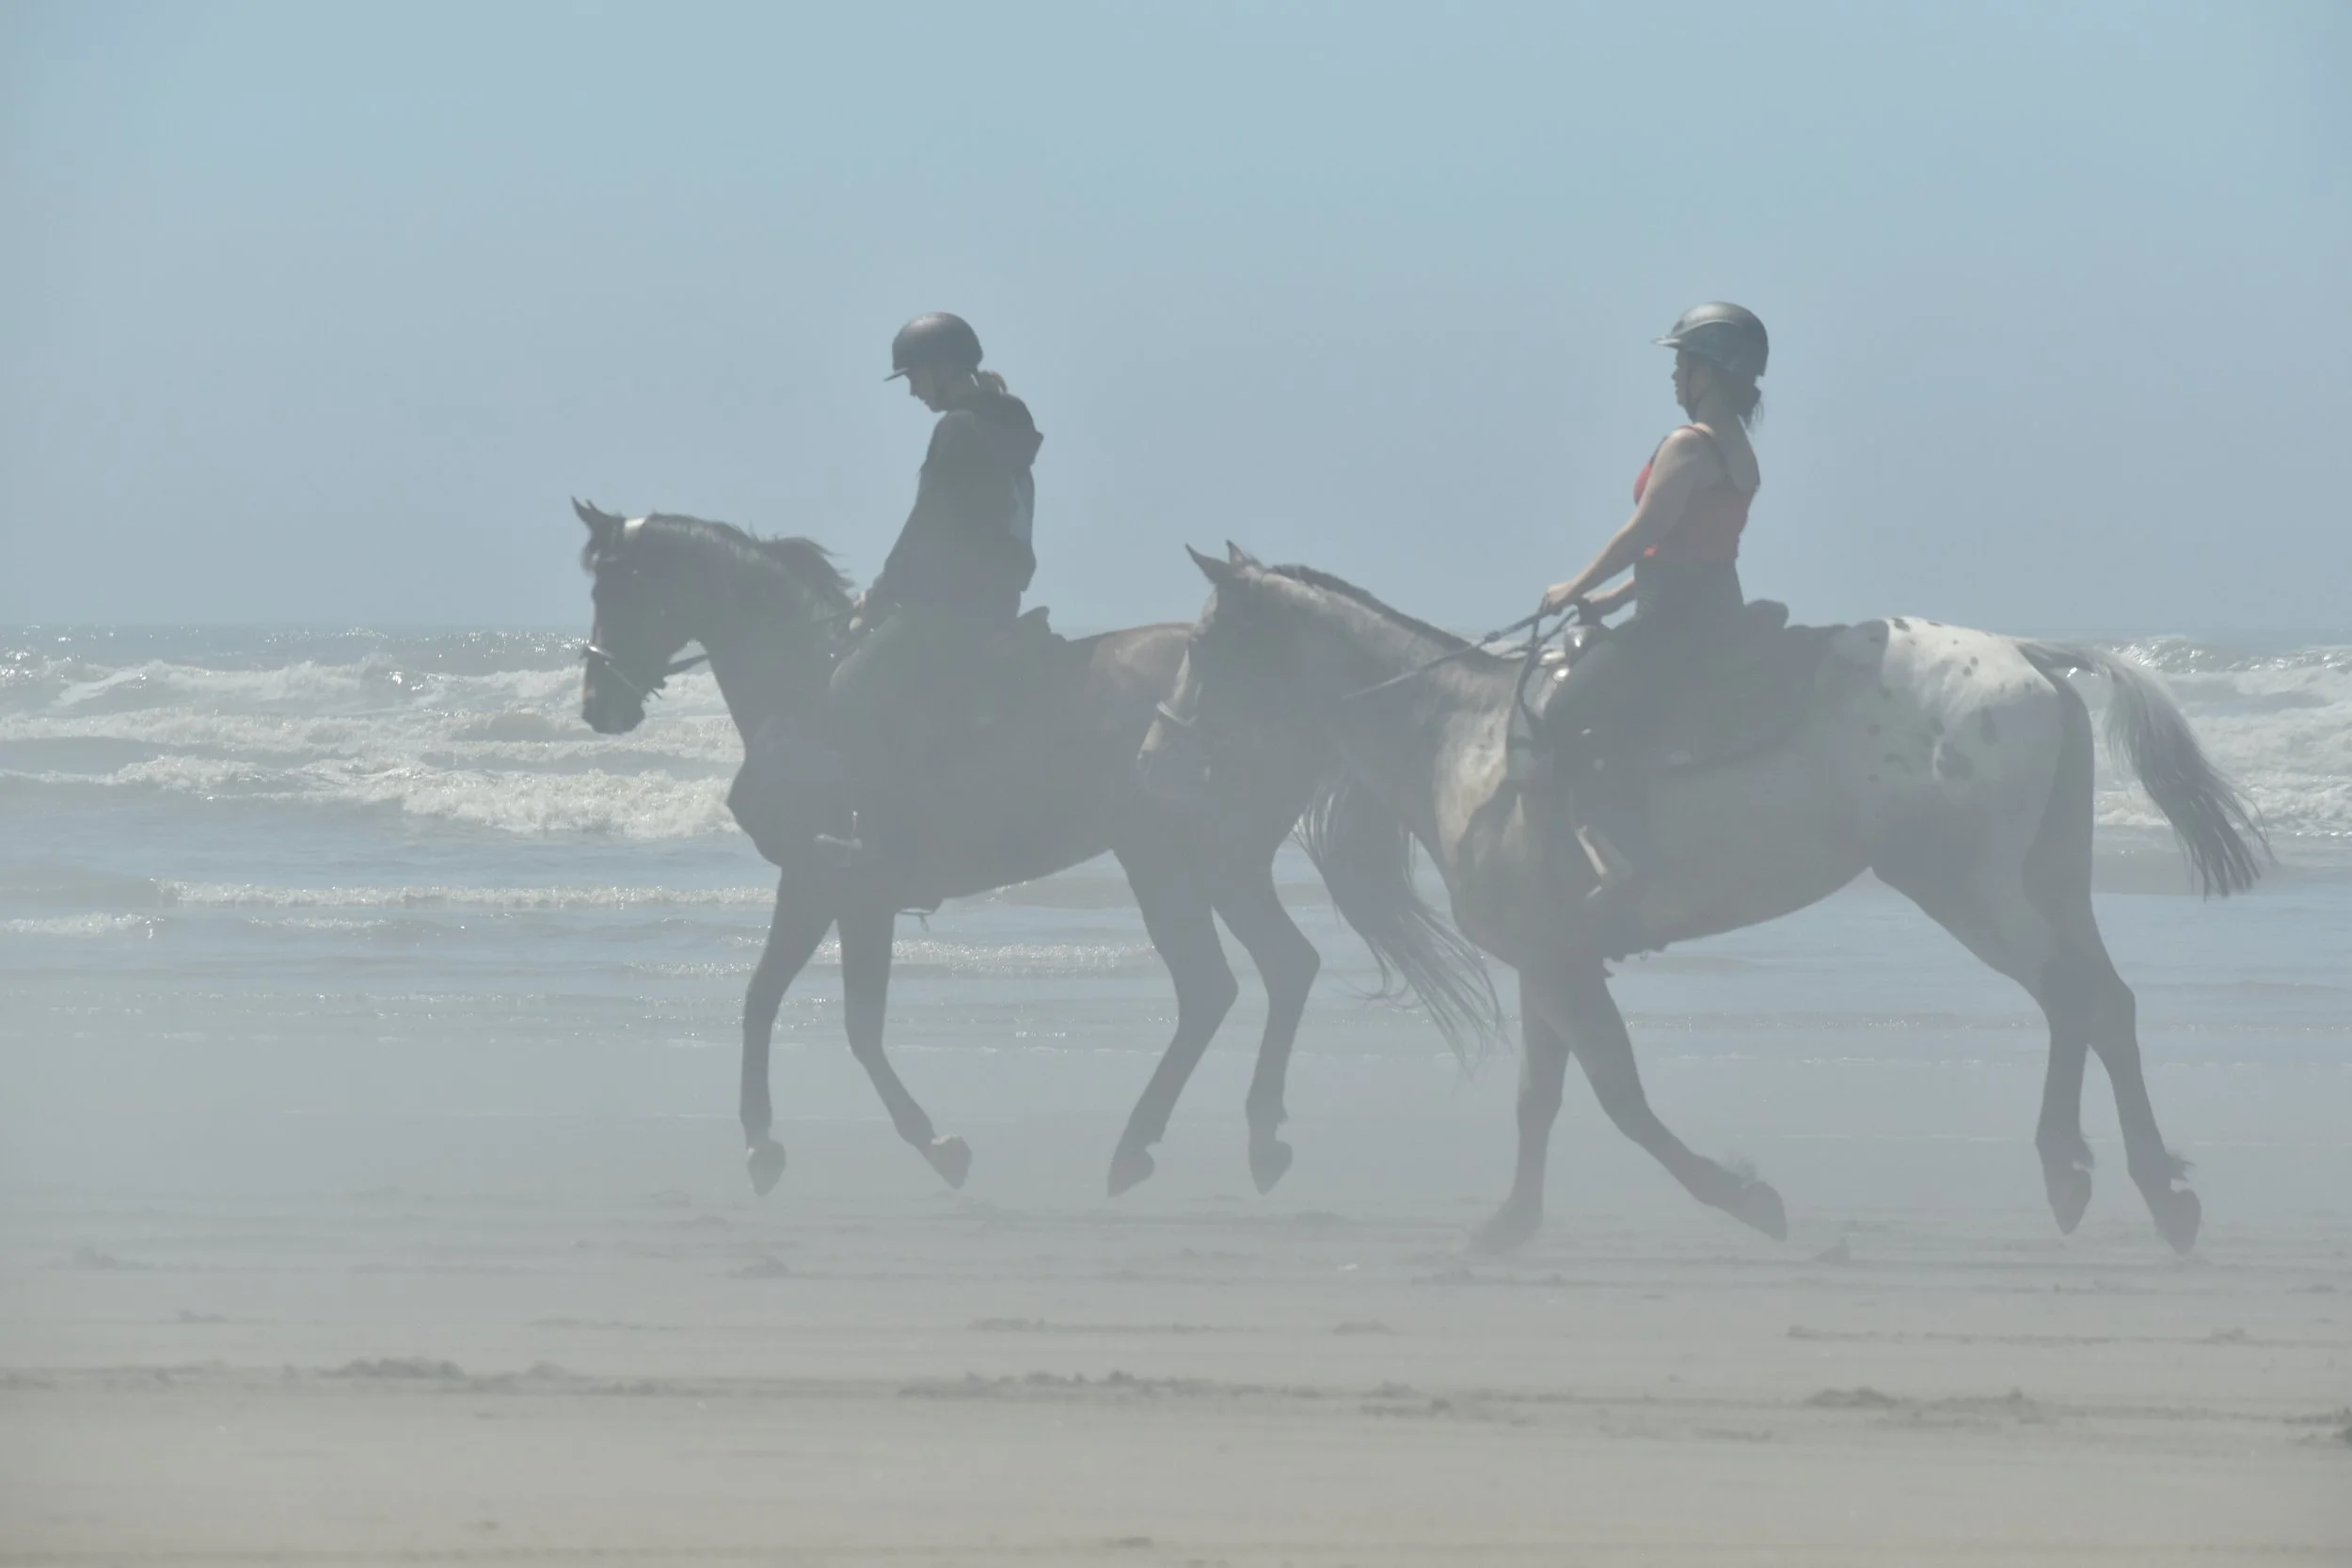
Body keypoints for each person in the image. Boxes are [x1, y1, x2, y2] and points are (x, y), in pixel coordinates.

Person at [1535, 302, 1769, 897]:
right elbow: (1695, 548)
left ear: (1707, 374)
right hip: (1716, 610)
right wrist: (1613, 598)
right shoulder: (1739, 447)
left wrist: (1574, 587)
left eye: (1681, 362)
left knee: (1560, 715)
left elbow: (1643, 533)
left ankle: (1620, 855)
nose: (1672, 377)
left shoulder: (1689, 446)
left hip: (1670, 627)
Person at [821, 312, 1043, 866]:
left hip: (952, 609)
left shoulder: (958, 429)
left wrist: (876, 596)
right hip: (996, 600)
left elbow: (928, 525)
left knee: (849, 689)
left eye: (916, 376)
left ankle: (878, 840)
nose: (914, 391)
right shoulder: (1006, 421)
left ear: (945, 369)